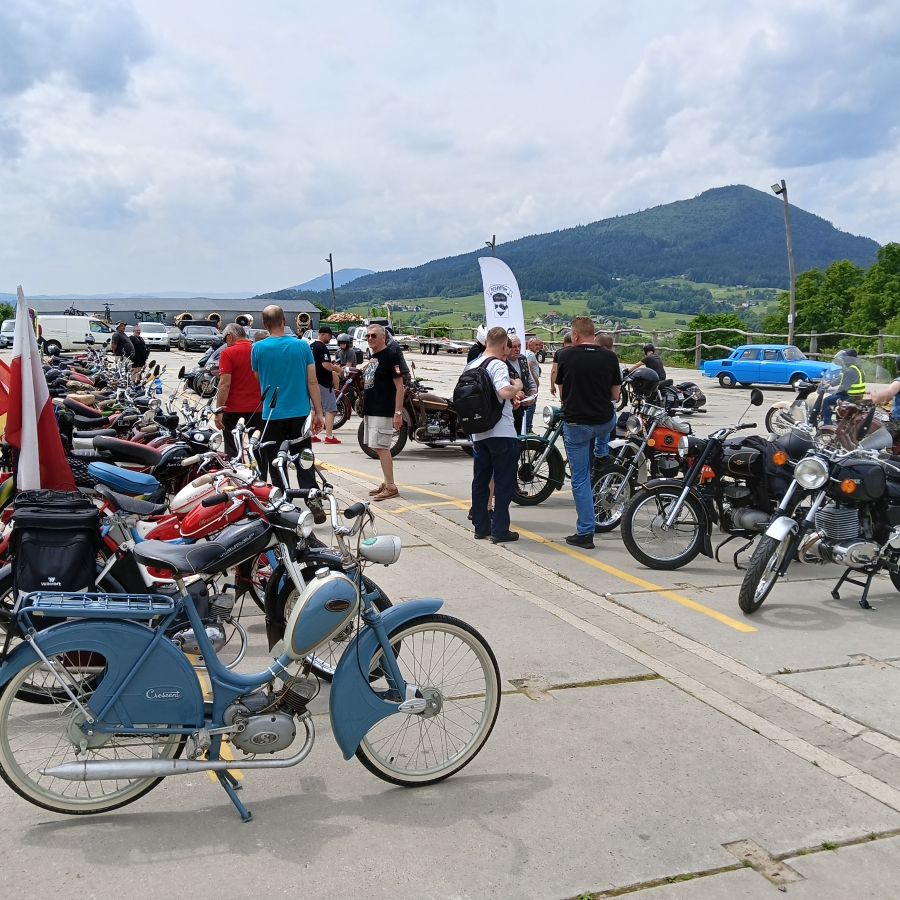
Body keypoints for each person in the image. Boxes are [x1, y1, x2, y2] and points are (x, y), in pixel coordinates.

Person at [555, 316, 622, 549]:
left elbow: (562, 392)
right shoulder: (610, 357)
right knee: (601, 433)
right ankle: (602, 456)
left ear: (575, 335)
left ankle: (585, 531)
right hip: (604, 422)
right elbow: (615, 395)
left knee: (580, 478)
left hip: (577, 424)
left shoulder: (565, 355)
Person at [251, 305, 324, 499]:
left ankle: (283, 497)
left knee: (276, 460)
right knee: (304, 456)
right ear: (284, 320)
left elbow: (258, 377)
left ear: (264, 324)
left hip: (272, 413)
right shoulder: (302, 346)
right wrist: (318, 411)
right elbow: (312, 381)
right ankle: (311, 493)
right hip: (299, 411)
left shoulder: (257, 348)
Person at [466, 326, 524, 543]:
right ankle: (500, 530)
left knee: (480, 481)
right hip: (501, 432)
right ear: (503, 346)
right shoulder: (498, 365)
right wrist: (516, 386)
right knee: (504, 481)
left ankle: (481, 527)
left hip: (479, 432)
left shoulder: (473, 365)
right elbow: (503, 391)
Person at [362, 324, 405, 501]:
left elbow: (400, 386)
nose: (370, 338)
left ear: (383, 337)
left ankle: (392, 486)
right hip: (372, 408)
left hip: (383, 409)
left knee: (382, 447)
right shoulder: (374, 356)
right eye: (368, 336)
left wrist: (398, 412)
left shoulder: (390, 356)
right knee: (377, 447)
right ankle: (386, 482)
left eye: (374, 335)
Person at [214, 323, 264, 467]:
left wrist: (219, 410)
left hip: (233, 408)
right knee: (257, 448)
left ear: (230, 336)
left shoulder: (228, 353)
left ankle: (236, 477)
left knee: (233, 449)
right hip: (258, 408)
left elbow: (224, 384)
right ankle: (259, 477)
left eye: (225, 339)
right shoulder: (259, 350)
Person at [311, 325, 342, 444]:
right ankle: (329, 436)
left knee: (313, 408)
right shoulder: (322, 347)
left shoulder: (311, 346)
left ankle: (310, 434)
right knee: (331, 409)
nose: (330, 338)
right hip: (323, 382)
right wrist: (336, 368)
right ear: (322, 334)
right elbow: (326, 365)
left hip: (312, 381)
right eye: (329, 335)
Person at [822, 348, 866, 426]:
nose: (843, 360)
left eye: (845, 358)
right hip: (857, 396)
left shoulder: (850, 371)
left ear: (849, 359)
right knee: (833, 396)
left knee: (827, 400)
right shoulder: (857, 368)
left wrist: (833, 392)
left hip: (849, 397)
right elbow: (843, 378)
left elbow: (843, 389)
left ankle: (827, 424)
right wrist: (830, 383)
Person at [507, 336, 537, 434]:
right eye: (514, 347)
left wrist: (532, 394)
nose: (517, 349)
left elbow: (530, 380)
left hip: (520, 409)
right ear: (507, 347)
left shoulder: (522, 359)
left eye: (519, 346)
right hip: (506, 411)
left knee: (518, 437)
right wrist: (514, 393)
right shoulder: (501, 361)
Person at [867, 356, 900, 439]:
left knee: (870, 441)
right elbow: (891, 395)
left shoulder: (898, 382)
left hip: (897, 423)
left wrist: (871, 391)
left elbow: (876, 399)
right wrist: (885, 401)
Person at [524, 337, 543, 432]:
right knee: (531, 406)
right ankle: (528, 427)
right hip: (532, 384)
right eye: (536, 345)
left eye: (538, 345)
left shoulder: (527, 353)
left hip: (527, 383)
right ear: (529, 345)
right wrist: (535, 381)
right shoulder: (531, 355)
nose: (538, 347)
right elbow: (529, 369)